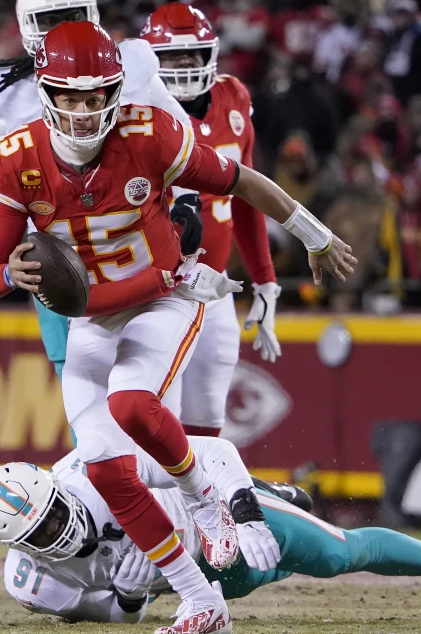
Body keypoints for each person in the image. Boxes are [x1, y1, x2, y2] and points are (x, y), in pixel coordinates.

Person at [0, 21, 355, 634]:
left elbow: (239, 179)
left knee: (130, 403)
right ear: (45, 93)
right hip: (93, 313)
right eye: (68, 96)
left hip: (165, 298)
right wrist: (12, 274)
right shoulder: (15, 160)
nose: (82, 110)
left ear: (116, 92)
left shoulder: (149, 135)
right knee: (103, 466)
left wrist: (315, 234)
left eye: (96, 96)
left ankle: (207, 500)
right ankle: (201, 602)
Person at [0, 438, 421, 625]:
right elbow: (112, 617)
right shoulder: (32, 581)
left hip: (214, 525)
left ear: (57, 488)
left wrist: (241, 508)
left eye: (54, 513)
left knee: (337, 556)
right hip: (194, 583)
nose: (57, 531)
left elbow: (210, 452)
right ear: (17, 546)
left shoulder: (96, 466)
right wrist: (130, 597)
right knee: (250, 581)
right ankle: (274, 497)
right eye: (39, 533)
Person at [0, 0, 195, 385]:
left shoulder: (131, 68)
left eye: (71, 16)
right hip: (61, 254)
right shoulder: (11, 96)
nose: (62, 27)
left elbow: (186, 146)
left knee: (152, 381)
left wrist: (186, 203)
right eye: (49, 19)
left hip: (137, 244)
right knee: (84, 383)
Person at [141, 3, 278, 438]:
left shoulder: (234, 97)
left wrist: (265, 280)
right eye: (170, 56)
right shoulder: (135, 108)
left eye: (191, 55)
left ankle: (200, 508)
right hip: (152, 287)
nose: (182, 65)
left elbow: (247, 197)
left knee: (206, 425)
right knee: (158, 425)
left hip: (214, 288)